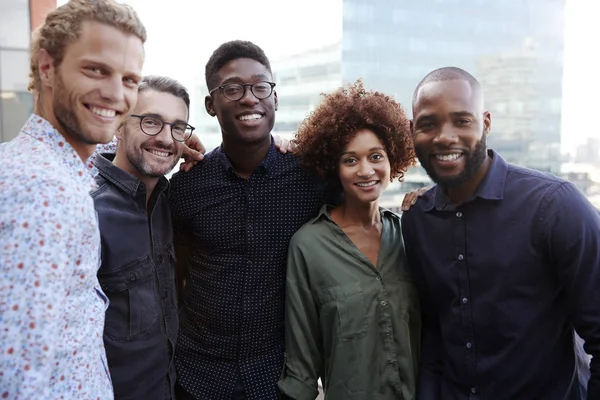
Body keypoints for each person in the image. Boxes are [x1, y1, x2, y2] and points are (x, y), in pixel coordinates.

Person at [401, 66, 600, 399]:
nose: (445, 137)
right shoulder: (417, 218)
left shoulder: (556, 207)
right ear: (412, 131)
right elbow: (434, 328)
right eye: (428, 124)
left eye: (462, 121)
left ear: (486, 123)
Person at [169, 40, 332, 400]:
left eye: (261, 86)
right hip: (196, 379)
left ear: (275, 98)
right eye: (232, 88)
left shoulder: (311, 179)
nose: (249, 98)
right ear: (211, 105)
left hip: (277, 379)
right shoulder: (186, 188)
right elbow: (174, 277)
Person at [0, 0, 146, 398]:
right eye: (96, 70)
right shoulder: (43, 190)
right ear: (47, 67)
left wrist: (166, 145)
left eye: (130, 79)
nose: (116, 94)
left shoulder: (34, 161)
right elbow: (15, 380)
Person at [278, 81, 420, 400]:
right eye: (350, 159)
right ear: (334, 167)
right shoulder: (308, 247)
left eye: (375, 156)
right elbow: (301, 367)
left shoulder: (411, 234)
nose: (365, 170)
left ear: (392, 159)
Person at [92, 75, 193, 400]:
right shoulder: (87, 211)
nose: (166, 138)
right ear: (119, 125)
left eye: (178, 128)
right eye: (151, 122)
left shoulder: (169, 199)